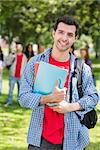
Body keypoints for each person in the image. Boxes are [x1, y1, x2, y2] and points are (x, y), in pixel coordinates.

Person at [19, 16, 99, 150]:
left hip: (73, 140)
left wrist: (71, 106)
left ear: (75, 38)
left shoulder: (82, 68)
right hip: (40, 140)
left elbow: (93, 97)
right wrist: (48, 98)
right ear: (53, 33)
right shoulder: (35, 63)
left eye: (70, 34)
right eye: (61, 32)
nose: (64, 38)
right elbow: (23, 98)